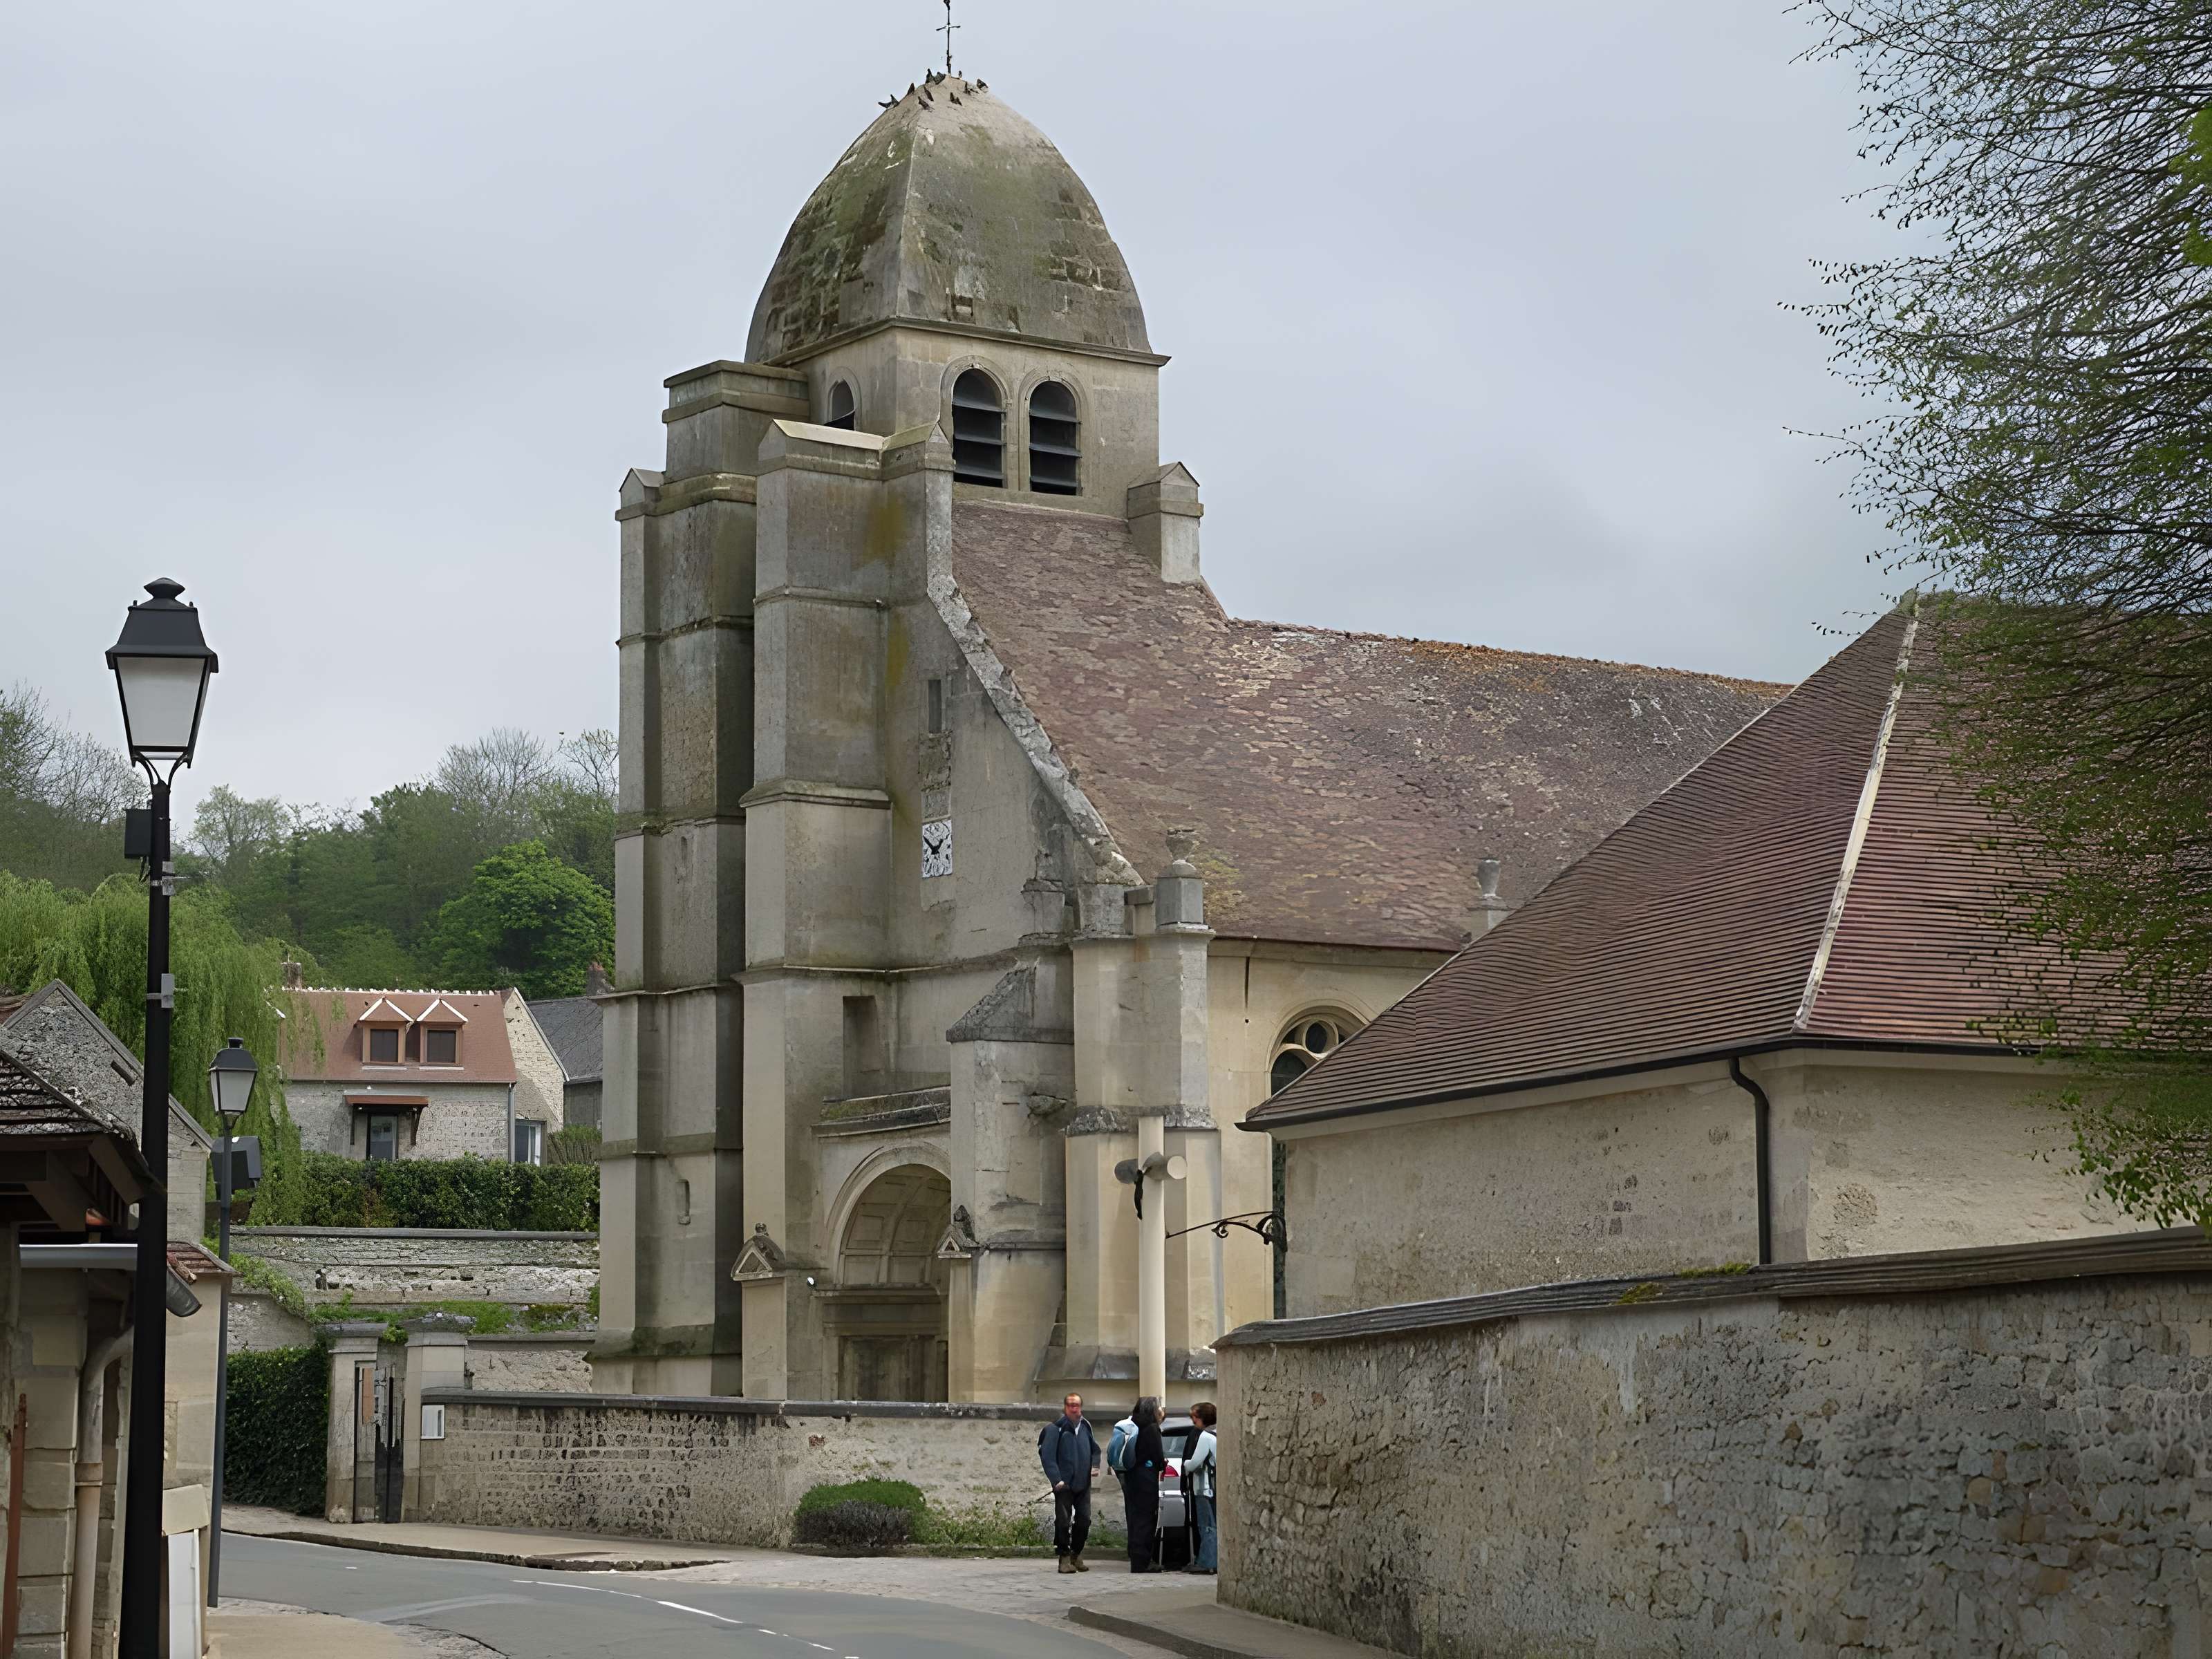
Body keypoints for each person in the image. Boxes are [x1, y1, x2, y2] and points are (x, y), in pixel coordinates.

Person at [1039, 1391, 1100, 1574]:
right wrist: (1056, 1480)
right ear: (1066, 1408)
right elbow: (1047, 1457)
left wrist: (1095, 1465)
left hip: (1083, 1483)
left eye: (1077, 1405)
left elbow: (1095, 1449)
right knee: (1063, 1522)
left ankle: (1076, 1554)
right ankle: (1064, 1558)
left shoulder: (1085, 1427)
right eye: (1071, 1405)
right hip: (1064, 1485)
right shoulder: (1055, 1429)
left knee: (1084, 1520)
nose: (1075, 1409)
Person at [1121, 1396, 1168, 1573]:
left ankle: (1135, 1557)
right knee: (1146, 1520)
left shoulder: (1133, 1424)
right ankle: (1142, 1562)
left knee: (1135, 1518)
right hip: (1146, 1479)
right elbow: (1157, 1456)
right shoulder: (1151, 1428)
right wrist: (1163, 1463)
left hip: (1132, 1477)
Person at [1183, 1401, 1218, 1575]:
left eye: (1194, 1417)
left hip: (1203, 1487)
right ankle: (1213, 1561)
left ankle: (1206, 1562)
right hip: (1216, 1486)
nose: (1193, 1421)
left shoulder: (1205, 1437)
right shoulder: (1218, 1434)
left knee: (1206, 1526)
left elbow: (1194, 1463)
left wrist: (1186, 1464)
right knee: (1214, 1524)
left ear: (1201, 1418)